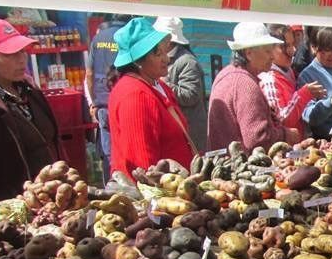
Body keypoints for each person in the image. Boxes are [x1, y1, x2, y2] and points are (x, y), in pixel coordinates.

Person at [0, 19, 60, 198]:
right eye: (11, 54)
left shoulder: (29, 88)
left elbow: (52, 141)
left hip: (52, 198)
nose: (21, 59)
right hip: (12, 208)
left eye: (22, 51)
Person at [107, 18, 195, 177]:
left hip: (178, 189)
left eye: (165, 52)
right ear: (138, 60)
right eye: (158, 54)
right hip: (160, 195)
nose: (166, 59)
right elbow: (143, 165)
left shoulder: (158, 85)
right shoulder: (135, 95)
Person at [208, 22, 295, 151]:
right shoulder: (245, 85)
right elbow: (257, 140)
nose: (272, 56)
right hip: (238, 166)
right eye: (267, 51)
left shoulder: (226, 74)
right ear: (249, 53)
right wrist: (287, 135)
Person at [258, 24, 325, 141]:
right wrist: (304, 94)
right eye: (285, 46)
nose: (293, 50)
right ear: (269, 49)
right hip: (283, 151)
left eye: (293, 44)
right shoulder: (270, 80)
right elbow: (280, 121)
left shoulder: (289, 72)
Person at [153, 17, 207, 151]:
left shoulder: (187, 61)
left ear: (169, 40)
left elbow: (190, 95)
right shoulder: (171, 59)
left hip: (190, 133)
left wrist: (163, 84)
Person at [87, 14, 130, 178]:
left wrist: (93, 102)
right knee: (126, 150)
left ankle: (111, 188)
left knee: (108, 154)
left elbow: (89, 74)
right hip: (125, 103)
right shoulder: (127, 36)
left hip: (104, 105)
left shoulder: (97, 38)